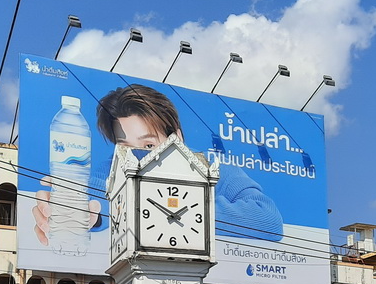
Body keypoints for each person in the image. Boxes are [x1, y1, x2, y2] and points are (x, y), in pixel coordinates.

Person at [32, 83, 284, 246]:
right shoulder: (116, 165)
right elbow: (97, 195)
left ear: (177, 138)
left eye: (149, 145)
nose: (138, 157)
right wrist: (79, 208)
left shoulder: (218, 171)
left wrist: (155, 208)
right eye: (125, 146)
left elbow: (268, 220)